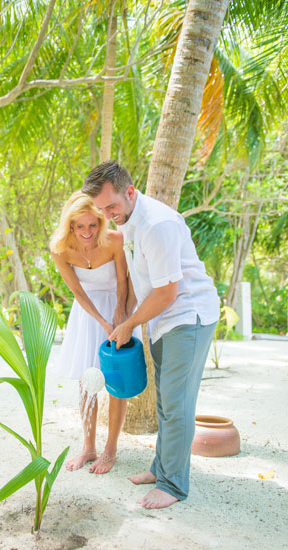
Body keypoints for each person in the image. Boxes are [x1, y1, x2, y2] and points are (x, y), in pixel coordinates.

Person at [82, 160, 220, 507]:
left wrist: (129, 325)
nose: (108, 214)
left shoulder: (157, 224)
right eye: (101, 209)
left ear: (130, 192)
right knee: (166, 401)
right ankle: (161, 468)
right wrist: (123, 316)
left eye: (111, 206)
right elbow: (138, 280)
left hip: (188, 317)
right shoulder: (127, 219)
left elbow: (166, 293)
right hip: (162, 320)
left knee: (177, 404)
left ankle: (173, 485)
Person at [50, 190, 131, 474]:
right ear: (70, 225)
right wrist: (101, 321)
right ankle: (88, 447)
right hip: (87, 315)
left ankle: (110, 450)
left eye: (92, 224)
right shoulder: (60, 249)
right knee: (87, 382)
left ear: (100, 222)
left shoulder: (115, 240)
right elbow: (77, 291)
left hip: (117, 307)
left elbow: (123, 280)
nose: (87, 231)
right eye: (80, 225)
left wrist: (119, 317)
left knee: (116, 381)